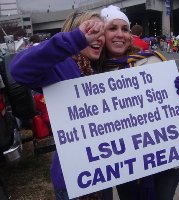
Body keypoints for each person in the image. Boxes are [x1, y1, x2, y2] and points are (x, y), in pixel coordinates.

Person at [10, 11, 112, 200]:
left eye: (101, 33)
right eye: (92, 30)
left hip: (105, 173)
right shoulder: (61, 65)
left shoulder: (98, 67)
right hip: (74, 180)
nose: (98, 38)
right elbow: (18, 69)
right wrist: (75, 40)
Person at [100, 5, 179, 200]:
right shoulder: (94, 72)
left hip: (165, 159)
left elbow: (173, 109)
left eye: (125, 29)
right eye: (112, 28)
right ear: (101, 33)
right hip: (126, 166)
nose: (120, 34)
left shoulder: (151, 60)